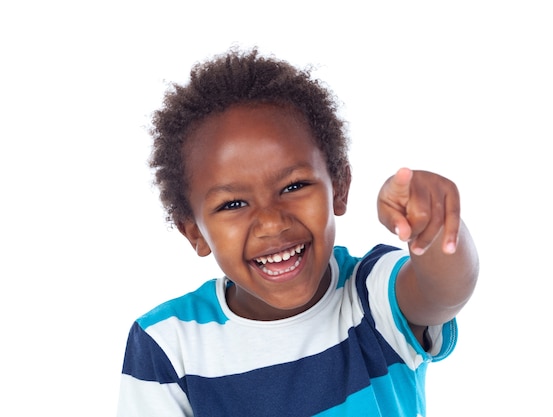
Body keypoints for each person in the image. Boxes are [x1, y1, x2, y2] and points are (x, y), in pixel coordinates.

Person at [117, 47, 479, 417]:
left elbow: (445, 291)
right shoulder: (168, 343)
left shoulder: (371, 296)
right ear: (194, 232)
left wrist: (434, 230)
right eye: (232, 205)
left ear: (338, 187)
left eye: (293, 187)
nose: (272, 223)